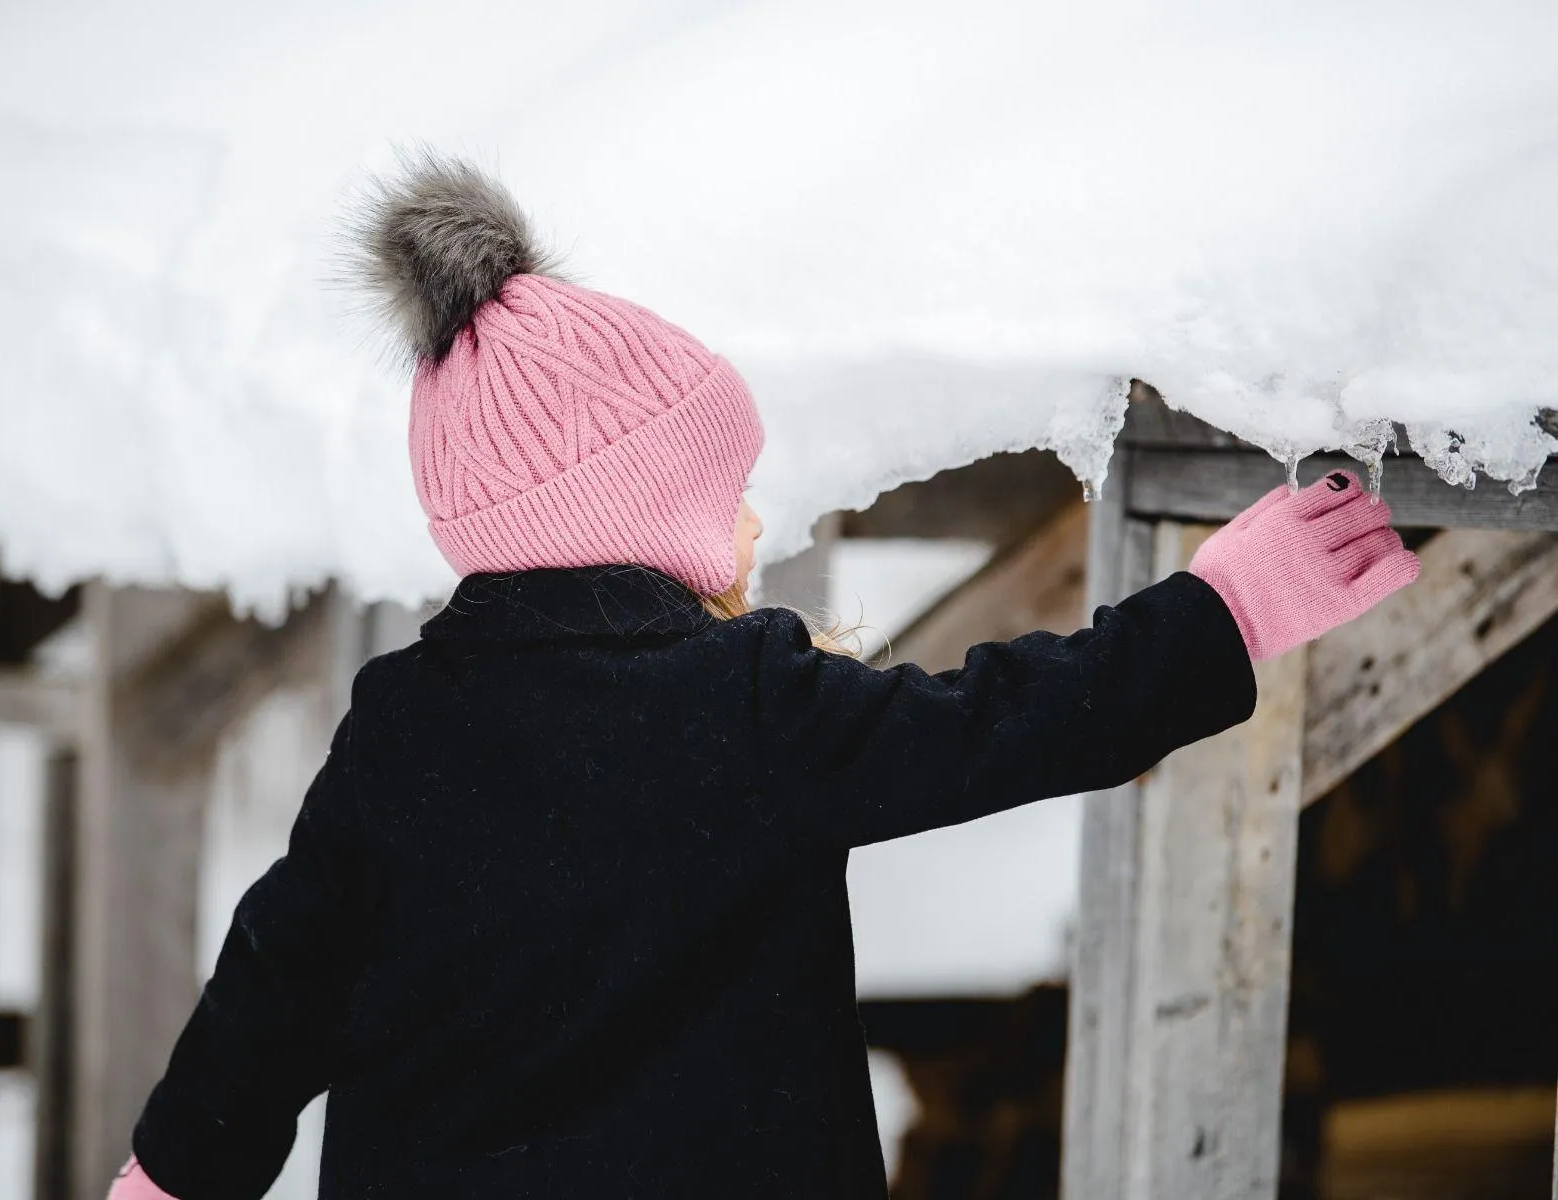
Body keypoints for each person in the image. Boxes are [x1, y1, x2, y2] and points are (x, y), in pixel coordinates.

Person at [106, 155, 1418, 1199]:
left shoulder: (399, 731)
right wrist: (1226, 606)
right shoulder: (740, 705)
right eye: (719, 493)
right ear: (625, 512)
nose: (745, 529)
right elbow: (1006, 723)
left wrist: (172, 1171)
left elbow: (277, 978)